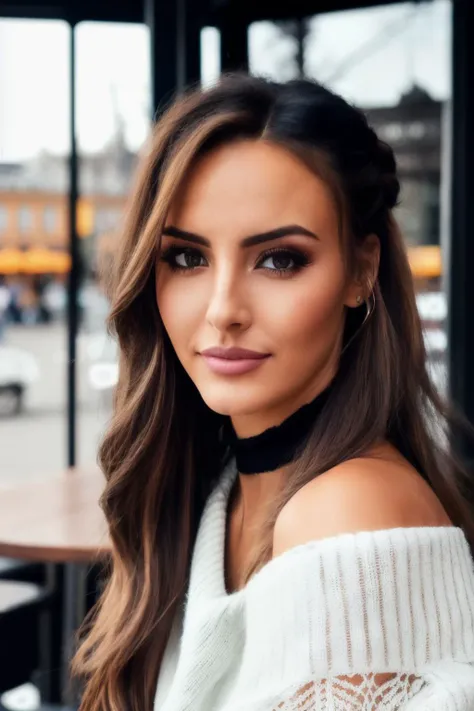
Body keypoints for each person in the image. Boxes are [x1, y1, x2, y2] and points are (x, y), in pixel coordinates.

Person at [73, 75, 474, 710]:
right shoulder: (227, 486)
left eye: (279, 259)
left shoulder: (349, 515)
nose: (222, 309)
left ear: (360, 271)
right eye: (187, 258)